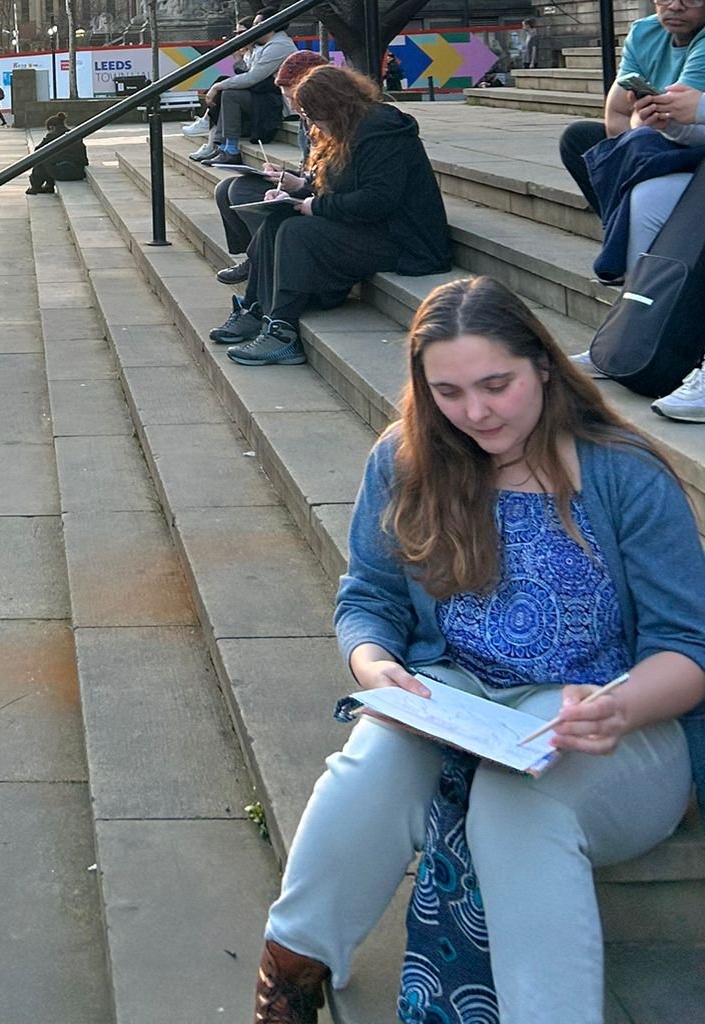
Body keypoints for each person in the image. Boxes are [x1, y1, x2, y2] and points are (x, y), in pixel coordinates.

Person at [251, 275, 705, 1024]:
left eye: (497, 385)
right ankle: (292, 971)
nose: (477, 413)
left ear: (545, 367)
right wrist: (376, 667)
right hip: (458, 700)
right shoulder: (407, 459)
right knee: (373, 763)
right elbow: (366, 597)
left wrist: (620, 707)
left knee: (516, 804)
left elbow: (687, 646)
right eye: (450, 393)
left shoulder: (625, 474)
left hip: (613, 726)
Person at [210, 65, 451, 367]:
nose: (310, 123)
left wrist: (315, 206)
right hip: (371, 226)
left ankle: (283, 331)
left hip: (403, 238)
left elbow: (378, 200)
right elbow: (335, 184)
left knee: (297, 232)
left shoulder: (382, 130)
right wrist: (293, 195)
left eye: (312, 115)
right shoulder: (345, 128)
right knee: (276, 221)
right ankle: (257, 308)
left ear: (333, 107)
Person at [558, 0, 705, 423]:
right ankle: (631, 321)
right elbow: (617, 116)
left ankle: (642, 314)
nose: (675, 6)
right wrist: (651, 129)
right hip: (673, 147)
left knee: (646, 192)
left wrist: (662, 123)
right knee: (582, 141)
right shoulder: (646, 31)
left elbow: (678, 115)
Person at [211, 50, 329, 286]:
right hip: (314, 186)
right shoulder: (308, 120)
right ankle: (255, 257)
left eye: (294, 97)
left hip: (324, 197)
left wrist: (300, 183)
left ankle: (265, 260)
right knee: (225, 189)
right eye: (287, 98)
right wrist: (287, 176)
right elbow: (312, 168)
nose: (293, 106)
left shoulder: (329, 121)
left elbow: (336, 178)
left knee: (240, 192)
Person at [191, 16, 300, 168]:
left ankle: (230, 149)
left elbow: (252, 77)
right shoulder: (267, 45)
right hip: (266, 96)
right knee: (227, 88)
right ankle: (222, 146)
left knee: (229, 93)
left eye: (256, 25)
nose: (253, 30)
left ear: (270, 25)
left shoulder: (279, 46)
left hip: (279, 102)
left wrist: (217, 86)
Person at [27, 111, 88, 194]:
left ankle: (36, 186)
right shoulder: (74, 135)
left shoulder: (52, 137)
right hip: (78, 172)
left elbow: (37, 151)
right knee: (51, 159)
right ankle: (48, 185)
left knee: (42, 158)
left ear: (52, 127)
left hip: (63, 172)